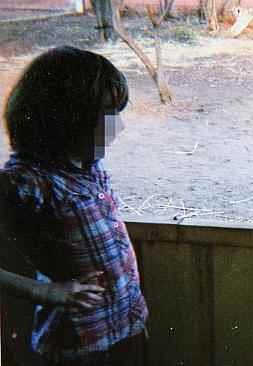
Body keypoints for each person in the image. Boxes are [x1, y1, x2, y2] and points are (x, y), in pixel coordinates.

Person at [0, 45, 148, 366]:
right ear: (65, 118)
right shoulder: (28, 181)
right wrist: (46, 292)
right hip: (80, 343)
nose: (117, 129)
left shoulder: (87, 164)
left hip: (125, 325)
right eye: (106, 118)